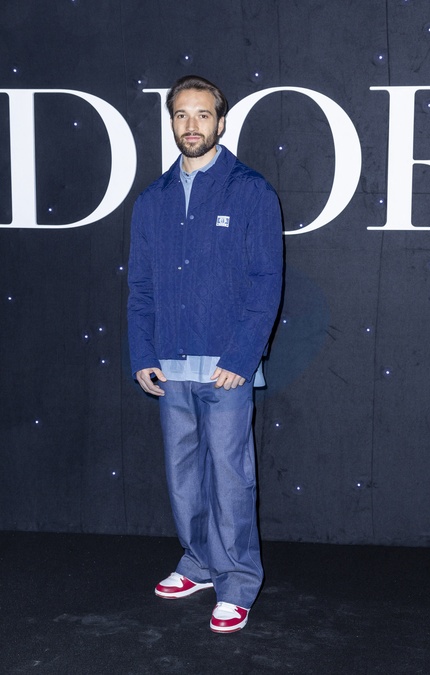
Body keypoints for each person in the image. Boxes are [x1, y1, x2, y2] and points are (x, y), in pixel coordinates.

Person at [127, 75, 283, 633]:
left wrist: (242, 358)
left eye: (202, 114)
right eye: (181, 115)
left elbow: (267, 282)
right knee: (183, 476)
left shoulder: (251, 191)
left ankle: (237, 581)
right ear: (171, 122)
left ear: (221, 121)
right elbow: (141, 287)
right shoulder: (153, 199)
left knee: (232, 479)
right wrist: (142, 352)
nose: (191, 125)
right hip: (170, 364)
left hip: (226, 368)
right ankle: (197, 563)